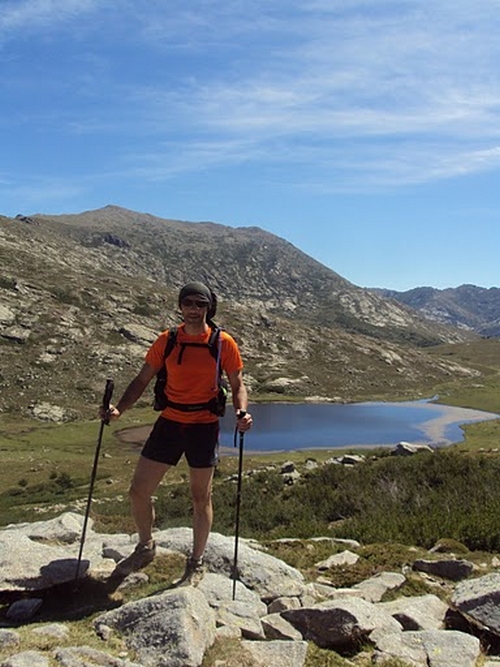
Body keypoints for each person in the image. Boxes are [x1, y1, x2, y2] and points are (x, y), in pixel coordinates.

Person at [103, 281, 252, 584]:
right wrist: (119, 410)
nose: (194, 310)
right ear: (180, 306)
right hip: (170, 423)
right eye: (188, 304)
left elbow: (237, 384)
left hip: (204, 427)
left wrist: (241, 412)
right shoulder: (167, 340)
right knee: (138, 491)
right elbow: (143, 378)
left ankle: (195, 562)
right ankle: (146, 546)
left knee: (201, 497)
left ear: (209, 308)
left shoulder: (223, 342)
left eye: (200, 304)